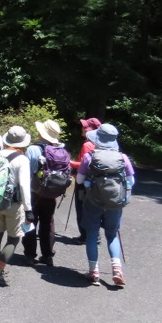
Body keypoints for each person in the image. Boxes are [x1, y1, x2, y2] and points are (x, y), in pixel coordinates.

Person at [76, 123, 135, 286]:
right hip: (115, 203)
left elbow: (79, 180)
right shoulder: (122, 157)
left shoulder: (90, 156)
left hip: (93, 202)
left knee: (92, 236)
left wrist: (89, 181)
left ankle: (93, 271)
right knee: (111, 234)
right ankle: (117, 269)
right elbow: (131, 181)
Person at [0, 126, 33, 286]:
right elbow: (24, 187)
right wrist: (28, 210)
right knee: (14, 238)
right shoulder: (22, 160)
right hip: (13, 204)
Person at [23, 119, 65, 266]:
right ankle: (47, 256)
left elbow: (27, 173)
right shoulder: (61, 150)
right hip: (51, 193)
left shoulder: (32, 149)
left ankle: (29, 255)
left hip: (34, 192)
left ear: (41, 133)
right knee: (48, 223)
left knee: (30, 221)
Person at [69, 117, 101, 243]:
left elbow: (83, 164)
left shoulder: (87, 144)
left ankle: (85, 236)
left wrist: (69, 162)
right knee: (93, 208)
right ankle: (95, 234)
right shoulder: (101, 143)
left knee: (81, 207)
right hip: (95, 181)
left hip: (83, 181)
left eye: (85, 127)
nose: (82, 128)